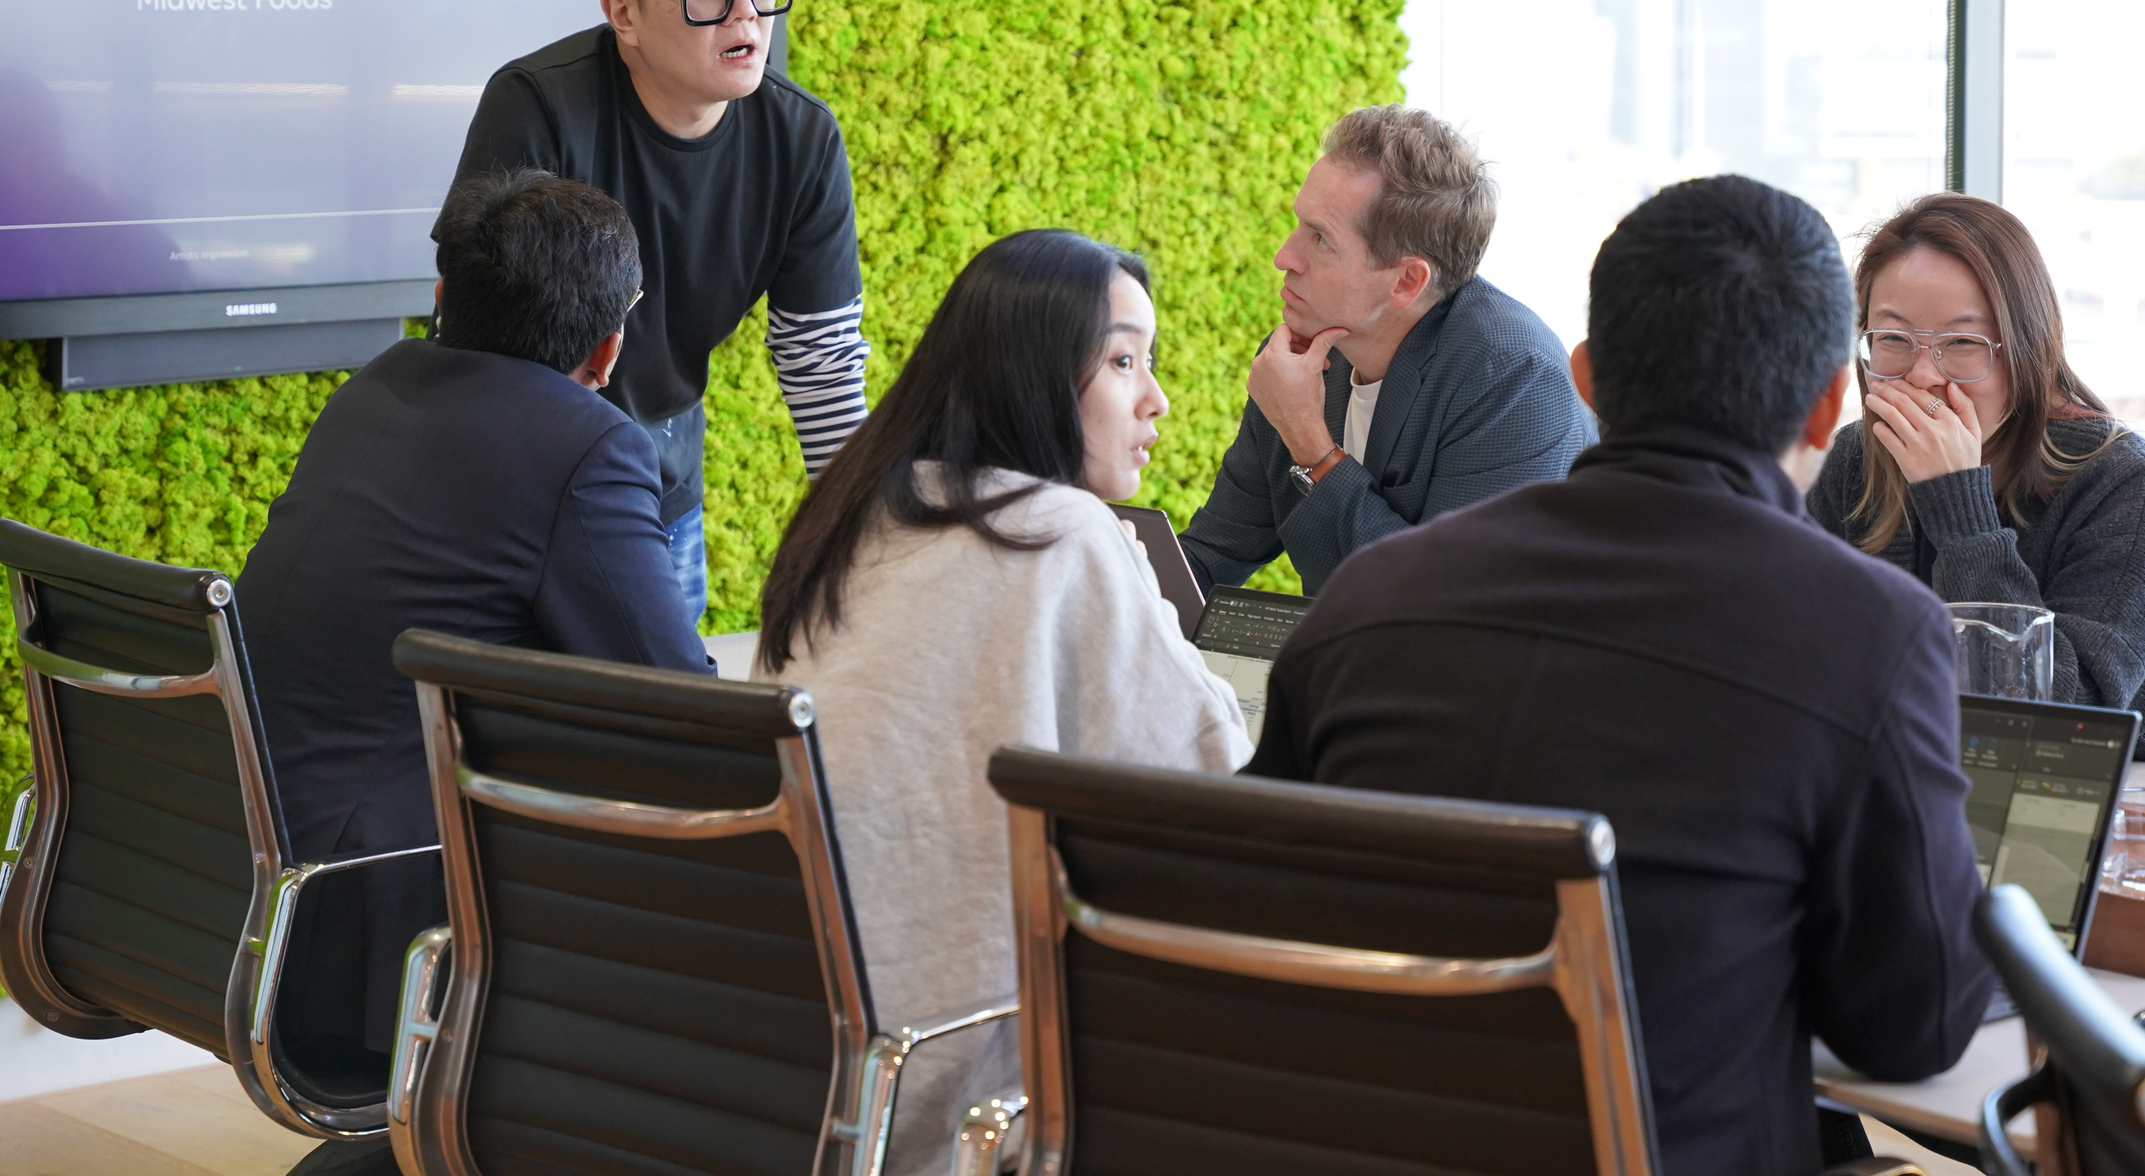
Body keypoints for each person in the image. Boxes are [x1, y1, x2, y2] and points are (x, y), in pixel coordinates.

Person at [1246, 176, 1991, 1176]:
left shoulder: (1367, 597)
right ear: (1826, 404)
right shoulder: (1872, 632)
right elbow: (1912, 1028)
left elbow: (1261, 917)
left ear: (1586, 376)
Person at [754, 229, 1252, 1176]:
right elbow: (1224, 796)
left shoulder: (850, 518)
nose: (1156, 400)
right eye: (1122, 360)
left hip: (802, 1071)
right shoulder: (1063, 536)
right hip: (970, 1094)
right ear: (1033, 372)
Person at [243, 168, 710, 1108]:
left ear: (444, 297)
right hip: (379, 911)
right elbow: (679, 706)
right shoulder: (587, 444)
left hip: (247, 868)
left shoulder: (374, 390)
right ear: (611, 346)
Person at [446, 0, 868, 619]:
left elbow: (822, 365)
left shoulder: (801, 138)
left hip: (660, 499)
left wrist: (868, 540)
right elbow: (482, 345)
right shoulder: (538, 108)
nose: (747, 10)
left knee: (665, 720)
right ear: (624, 13)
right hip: (512, 498)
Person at [1808, 192, 2145, 767]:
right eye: (1894, 339)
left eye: (1962, 344)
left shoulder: (2135, 485)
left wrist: (1956, 502)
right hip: (1913, 776)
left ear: (2026, 348)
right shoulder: (1855, 462)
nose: (1924, 376)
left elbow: (2062, 721)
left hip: (2129, 800)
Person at [1178, 105, 1592, 595]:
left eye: (1321, 240)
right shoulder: (1299, 360)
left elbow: (1440, 610)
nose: (1284, 257)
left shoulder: (1514, 379)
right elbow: (1210, 558)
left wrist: (1311, 445)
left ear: (1405, 281)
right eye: (1298, 225)